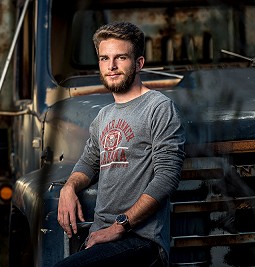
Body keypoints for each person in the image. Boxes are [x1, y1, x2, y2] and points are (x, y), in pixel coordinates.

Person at [55, 21, 185, 267]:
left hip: (140, 240)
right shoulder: (103, 116)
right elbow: (88, 164)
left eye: (121, 58)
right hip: (101, 237)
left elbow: (167, 176)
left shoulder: (159, 108)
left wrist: (120, 226)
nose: (111, 66)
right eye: (104, 58)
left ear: (139, 63)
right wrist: (68, 188)